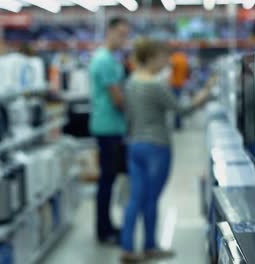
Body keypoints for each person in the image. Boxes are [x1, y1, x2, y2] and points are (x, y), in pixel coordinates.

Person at [121, 38, 215, 262]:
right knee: (151, 199)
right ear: (152, 58)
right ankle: (150, 246)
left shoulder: (131, 81)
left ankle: (127, 247)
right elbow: (183, 110)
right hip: (157, 146)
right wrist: (206, 93)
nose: (168, 62)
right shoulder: (156, 85)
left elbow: (129, 117)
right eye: (164, 57)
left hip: (135, 145)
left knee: (135, 198)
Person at [89, 17, 130, 245]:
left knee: (110, 179)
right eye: (122, 34)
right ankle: (104, 230)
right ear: (110, 32)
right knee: (107, 180)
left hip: (113, 127)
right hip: (108, 128)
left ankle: (106, 227)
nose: (124, 40)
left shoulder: (111, 60)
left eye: (126, 35)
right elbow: (117, 98)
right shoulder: (104, 60)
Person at [169, 50, 189, 130]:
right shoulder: (184, 59)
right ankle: (178, 124)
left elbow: (171, 67)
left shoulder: (174, 58)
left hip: (174, 84)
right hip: (180, 83)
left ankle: (177, 124)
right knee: (178, 104)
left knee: (175, 105)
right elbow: (187, 72)